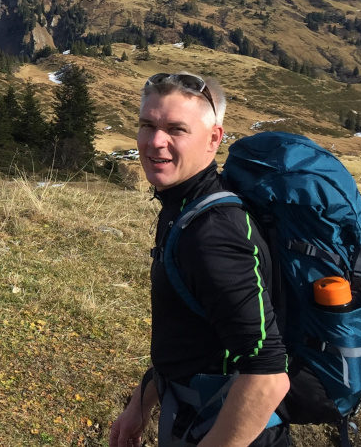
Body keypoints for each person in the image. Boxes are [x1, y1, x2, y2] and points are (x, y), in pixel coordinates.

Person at [109, 72, 290, 447]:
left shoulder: (213, 233)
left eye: (176, 129)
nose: (155, 142)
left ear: (213, 138)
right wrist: (139, 407)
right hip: (193, 414)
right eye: (147, 124)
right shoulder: (184, 206)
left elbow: (268, 375)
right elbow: (187, 337)